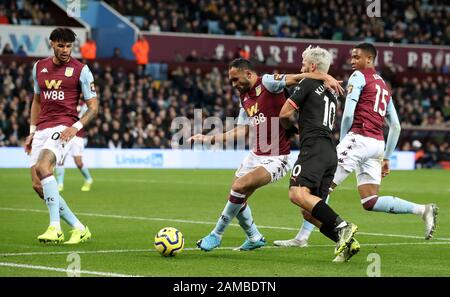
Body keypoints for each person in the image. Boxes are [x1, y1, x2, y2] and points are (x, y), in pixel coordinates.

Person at [274, 43, 438, 262]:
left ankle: (308, 237)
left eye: (356, 57)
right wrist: (386, 156)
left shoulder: (359, 77)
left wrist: (342, 142)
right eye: (351, 57)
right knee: (370, 200)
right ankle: (422, 210)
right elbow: (396, 126)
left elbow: (349, 114)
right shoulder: (383, 85)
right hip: (378, 144)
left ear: (369, 59)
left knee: (320, 188)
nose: (352, 61)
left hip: (358, 139)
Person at [189, 58, 343, 252]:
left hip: (277, 157)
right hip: (256, 154)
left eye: (236, 79)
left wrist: (325, 76)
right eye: (231, 81)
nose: (233, 84)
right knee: (237, 195)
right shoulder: (244, 98)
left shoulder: (268, 82)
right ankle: (254, 237)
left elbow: (297, 78)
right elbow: (241, 131)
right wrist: (208, 138)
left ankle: (216, 234)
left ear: (248, 74)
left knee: (239, 186)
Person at [279, 46, 359, 260]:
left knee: (296, 194)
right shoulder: (331, 90)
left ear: (312, 67)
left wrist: (289, 129)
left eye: (303, 64)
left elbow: (284, 113)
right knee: (309, 210)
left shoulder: (308, 83)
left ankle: (343, 226)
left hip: (313, 147)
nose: (301, 68)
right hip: (329, 151)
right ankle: (348, 242)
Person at [24, 27, 99, 244]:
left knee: (43, 167)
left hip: (64, 127)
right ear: (52, 44)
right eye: (61, 45)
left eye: (69, 46)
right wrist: (31, 132)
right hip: (42, 129)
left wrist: (75, 127)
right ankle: (79, 227)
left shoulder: (81, 70)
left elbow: (93, 107)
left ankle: (54, 227)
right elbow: (37, 100)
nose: (65, 50)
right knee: (38, 184)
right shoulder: (39, 67)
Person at [55, 103, 94, 192]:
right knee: (60, 159)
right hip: (66, 134)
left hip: (78, 136)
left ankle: (88, 179)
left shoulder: (84, 105)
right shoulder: (67, 100)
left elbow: (84, 119)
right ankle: (60, 184)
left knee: (78, 163)